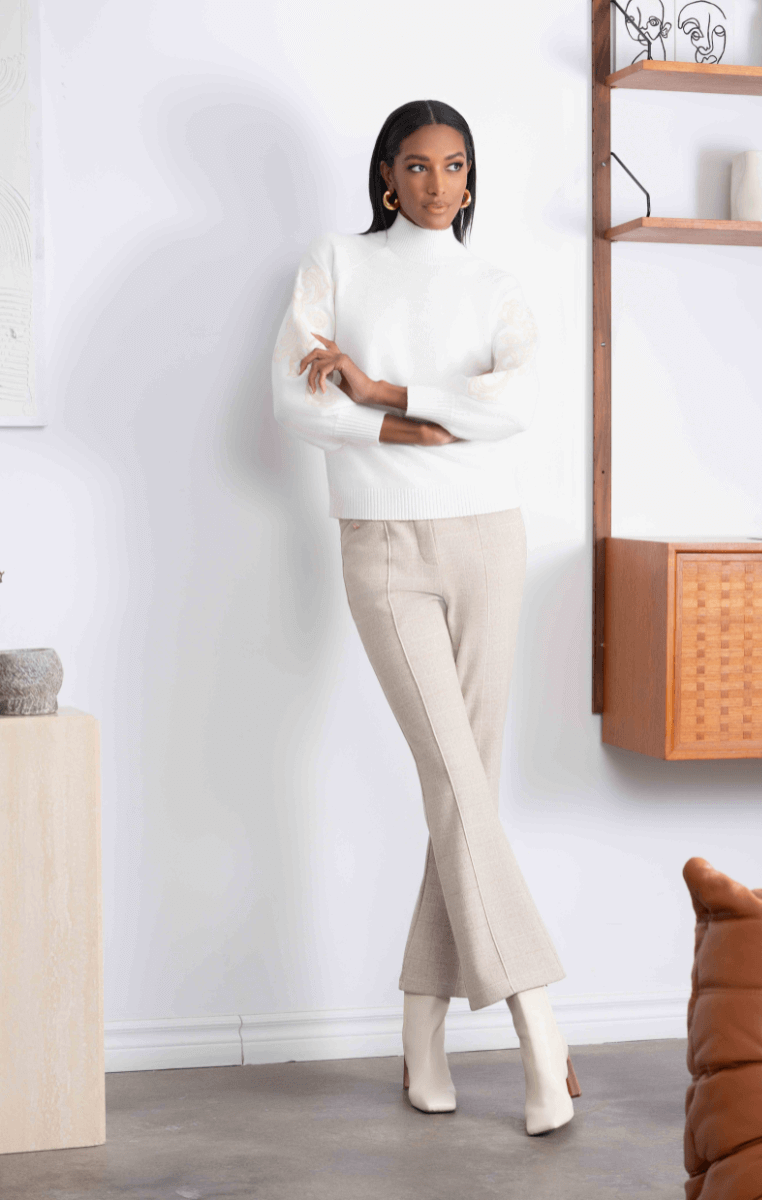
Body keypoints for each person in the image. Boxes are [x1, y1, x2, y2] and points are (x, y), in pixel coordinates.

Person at [271, 99, 580, 1136]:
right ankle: (544, 1037)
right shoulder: (336, 264)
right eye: (417, 165)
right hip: (385, 545)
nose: (439, 183)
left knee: (466, 795)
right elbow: (293, 400)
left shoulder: (494, 285)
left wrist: (384, 388)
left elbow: (518, 400)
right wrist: (401, 431)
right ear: (387, 176)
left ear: (469, 178)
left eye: (455, 165)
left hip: (491, 541)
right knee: (459, 785)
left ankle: (422, 1033)